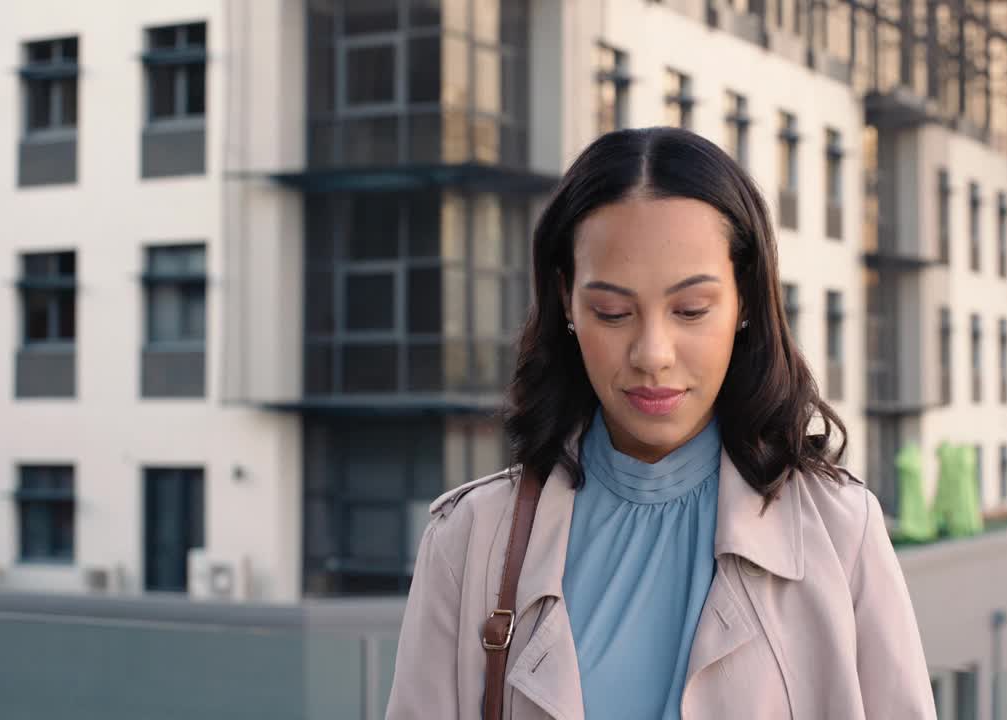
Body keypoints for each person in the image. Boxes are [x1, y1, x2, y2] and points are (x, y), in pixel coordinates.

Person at [385, 127, 936, 719]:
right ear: (568, 302)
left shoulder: (840, 532)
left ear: (745, 301)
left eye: (691, 310)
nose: (653, 353)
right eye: (613, 312)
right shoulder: (469, 540)